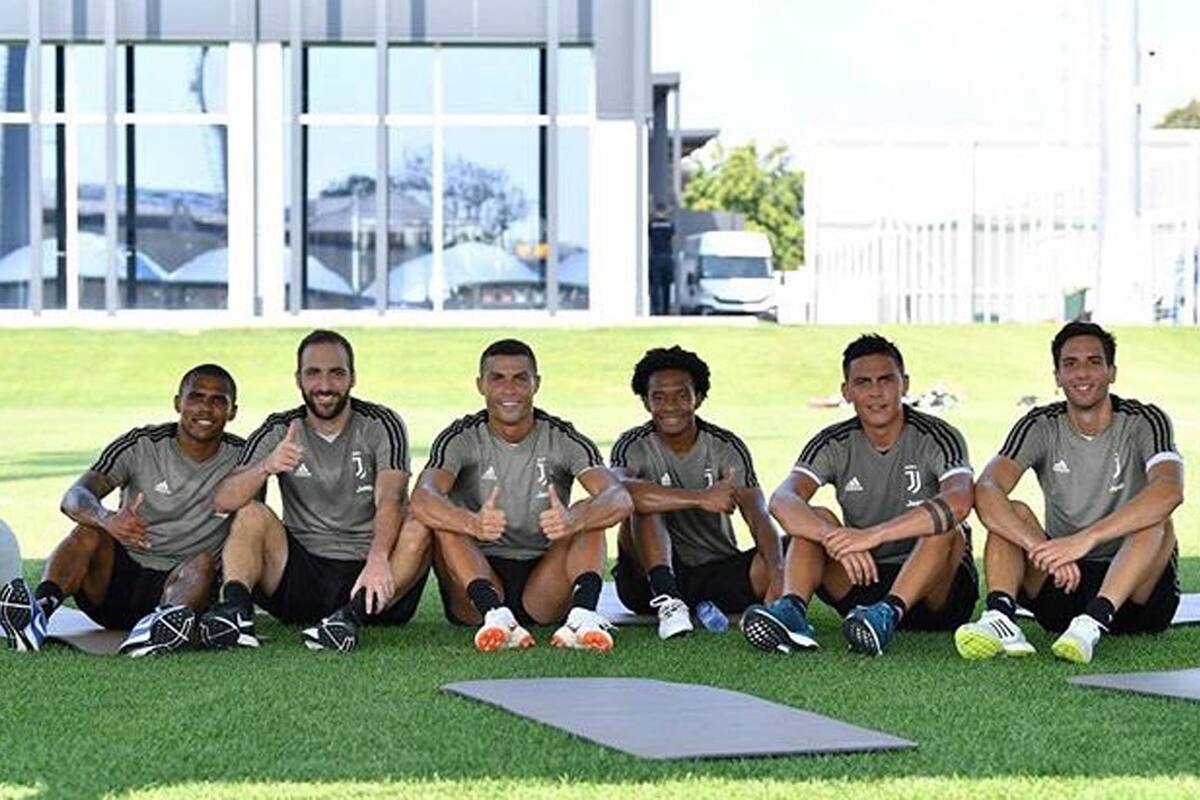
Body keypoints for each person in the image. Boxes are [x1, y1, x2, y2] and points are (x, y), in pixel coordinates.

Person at [957, 321, 1183, 664]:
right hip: (1064, 583)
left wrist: (1085, 540)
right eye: (1070, 364)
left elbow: (1169, 490)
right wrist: (1044, 549)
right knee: (1011, 511)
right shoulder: (1039, 423)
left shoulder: (1144, 419)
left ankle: (1093, 623)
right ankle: (1001, 617)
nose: (1082, 373)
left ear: (1112, 372)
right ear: (1057, 376)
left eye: (1094, 362)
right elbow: (987, 488)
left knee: (1157, 521)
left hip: (1137, 594)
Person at [743, 334, 978, 655]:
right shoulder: (832, 441)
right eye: (863, 382)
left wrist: (871, 536)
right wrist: (832, 536)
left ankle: (889, 613)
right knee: (817, 517)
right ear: (847, 391)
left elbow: (960, 501)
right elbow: (782, 501)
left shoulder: (938, 436)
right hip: (863, 577)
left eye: (886, 380)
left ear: (904, 384)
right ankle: (792, 611)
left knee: (945, 524)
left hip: (937, 595)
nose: (876, 392)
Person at [199, 330, 428, 653]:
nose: (324, 385)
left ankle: (348, 620)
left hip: (371, 579)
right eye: (313, 373)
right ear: (298, 379)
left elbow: (390, 498)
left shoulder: (381, 423)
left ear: (352, 378)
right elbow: (223, 499)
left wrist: (377, 558)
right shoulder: (280, 428)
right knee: (252, 512)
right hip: (301, 573)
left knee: (420, 524)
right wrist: (267, 465)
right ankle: (235, 613)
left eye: (336, 373)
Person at [0, 365, 244, 656]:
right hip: (114, 581)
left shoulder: (244, 459)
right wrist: (108, 520)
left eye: (218, 400)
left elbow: (251, 528)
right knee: (88, 530)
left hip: (182, 588)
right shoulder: (140, 445)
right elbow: (75, 496)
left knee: (203, 562)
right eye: (196, 396)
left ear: (232, 411)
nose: (205, 408)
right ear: (178, 402)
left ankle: (156, 630)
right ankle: (37, 614)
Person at [412, 338, 633, 652]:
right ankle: (495, 616)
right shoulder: (460, 437)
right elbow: (422, 498)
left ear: (536, 383)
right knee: (444, 517)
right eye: (497, 378)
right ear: (481, 385)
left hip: (542, 584)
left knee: (591, 510)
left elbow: (619, 498)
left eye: (520, 378)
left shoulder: (563, 437)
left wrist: (574, 519)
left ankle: (582, 617)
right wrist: (472, 523)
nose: (509, 389)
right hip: (476, 582)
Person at [610, 345, 783, 639]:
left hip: (716, 572)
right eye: (659, 397)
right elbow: (618, 492)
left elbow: (758, 515)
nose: (671, 406)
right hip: (647, 586)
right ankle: (670, 602)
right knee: (642, 503)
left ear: (699, 398)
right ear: (645, 402)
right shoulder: (632, 444)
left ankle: (780, 605)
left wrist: (778, 572)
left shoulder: (726, 446)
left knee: (788, 548)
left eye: (682, 395)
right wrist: (701, 498)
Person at [648, 202, 676, 316]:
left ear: (656, 210)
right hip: (667, 256)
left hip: (655, 256)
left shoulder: (651, 224)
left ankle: (656, 309)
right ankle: (666, 309)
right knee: (667, 285)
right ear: (665, 211)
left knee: (655, 285)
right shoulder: (670, 224)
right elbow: (672, 238)